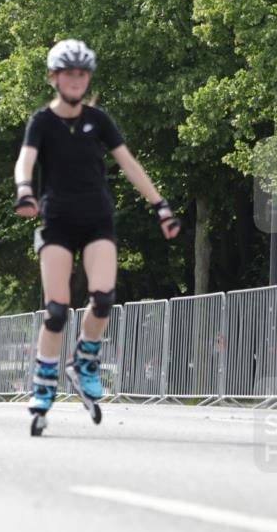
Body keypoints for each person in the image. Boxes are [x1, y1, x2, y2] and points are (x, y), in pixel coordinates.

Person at [13, 39, 180, 420]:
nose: (76, 80)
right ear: (53, 77)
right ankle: (44, 382)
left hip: (96, 221)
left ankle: (85, 361)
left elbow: (129, 164)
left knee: (103, 299)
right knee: (56, 311)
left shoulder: (99, 119)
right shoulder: (41, 121)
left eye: (82, 73)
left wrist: (162, 207)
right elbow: (26, 160)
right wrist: (25, 190)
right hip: (56, 221)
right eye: (69, 73)